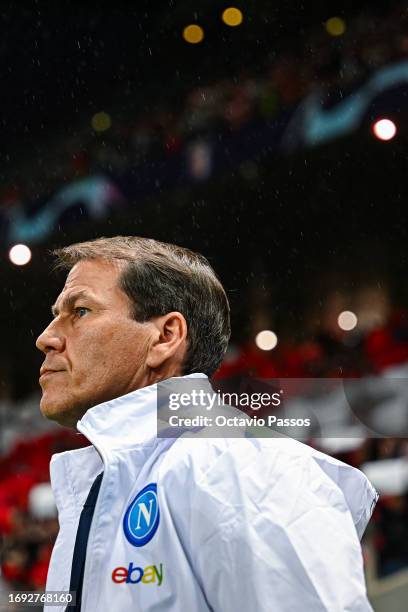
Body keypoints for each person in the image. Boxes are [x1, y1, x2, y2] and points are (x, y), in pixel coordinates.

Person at [36, 236, 378, 612]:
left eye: (80, 311)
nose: (46, 338)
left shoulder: (242, 469)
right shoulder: (107, 487)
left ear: (165, 337)